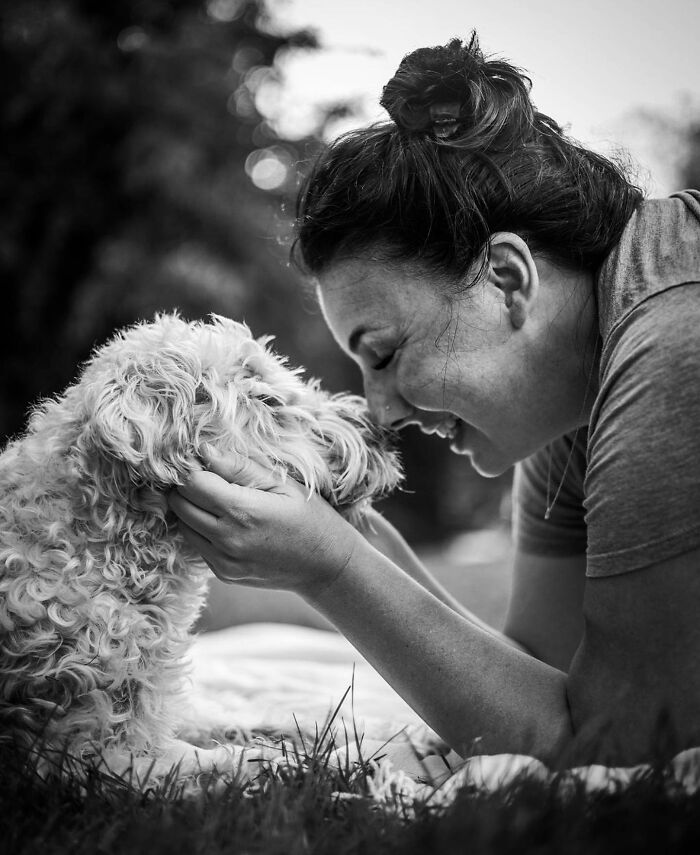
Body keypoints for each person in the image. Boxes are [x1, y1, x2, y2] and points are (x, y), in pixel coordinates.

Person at [167, 34, 700, 767]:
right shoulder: (573, 384)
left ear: (509, 280)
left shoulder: (674, 343)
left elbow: (620, 743)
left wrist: (332, 569)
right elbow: (535, 672)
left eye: (384, 354)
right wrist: (359, 540)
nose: (380, 414)